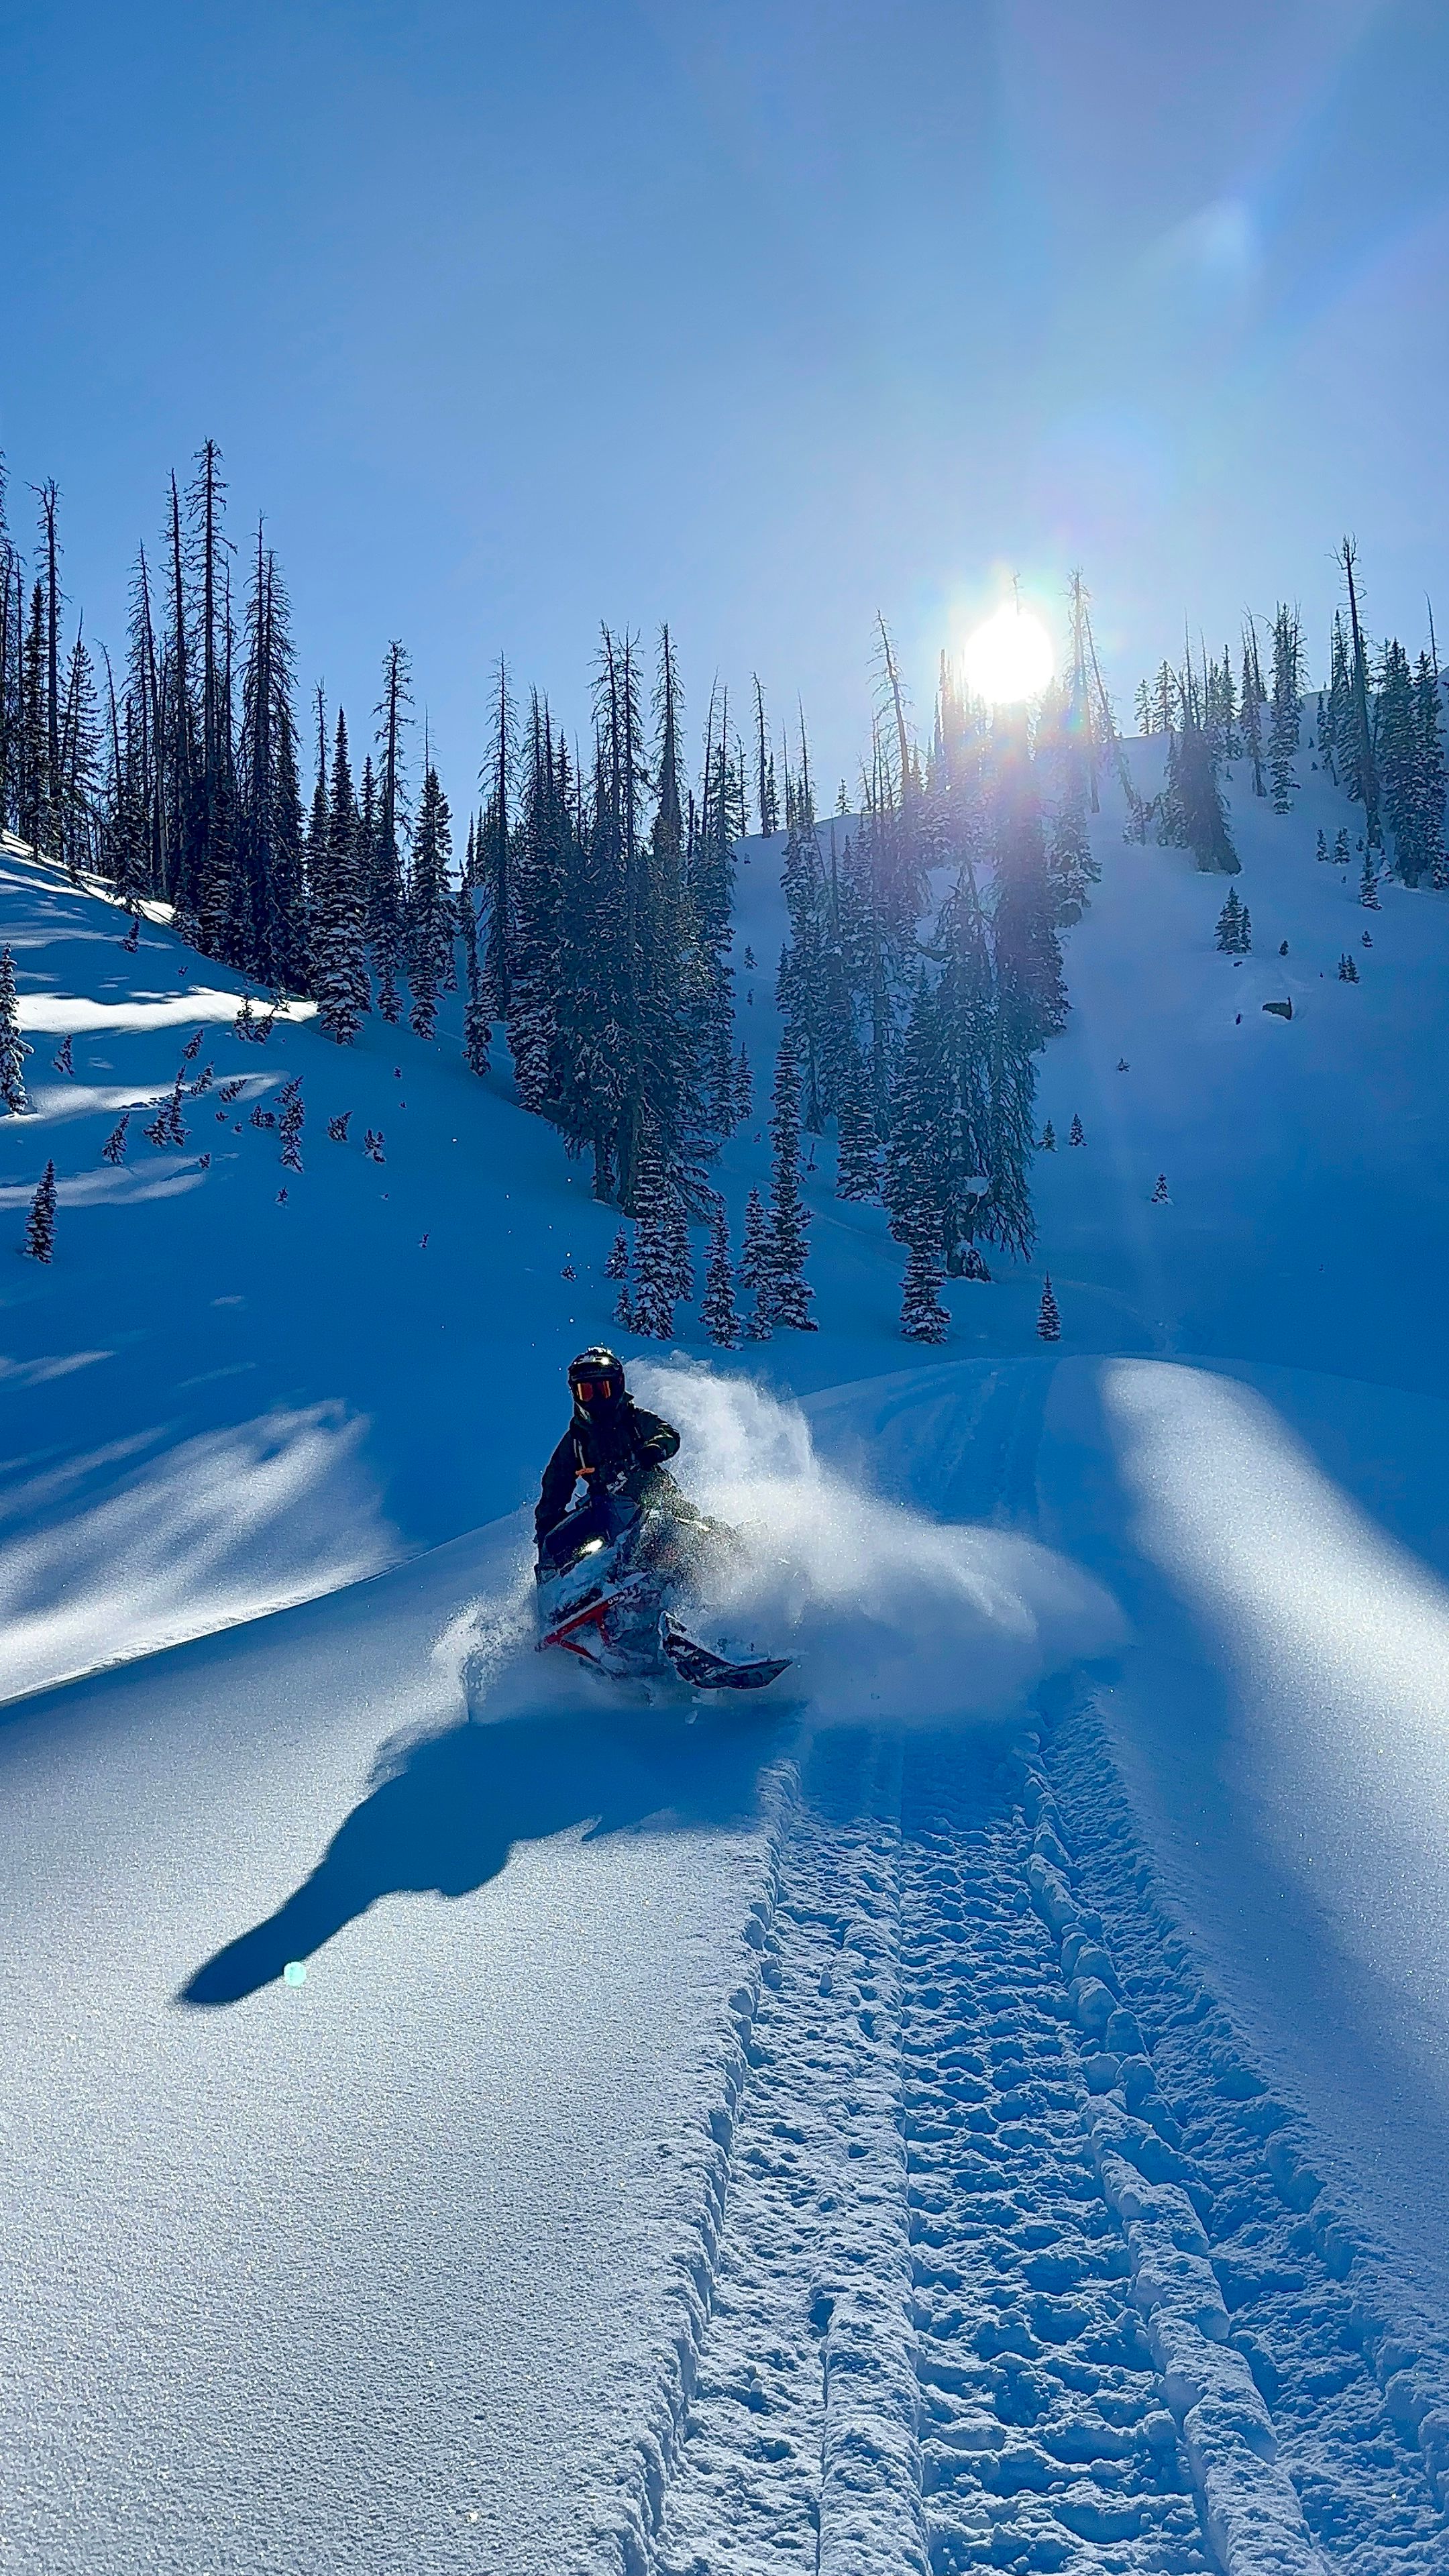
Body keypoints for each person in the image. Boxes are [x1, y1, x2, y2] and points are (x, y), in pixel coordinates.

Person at [535, 1348, 682, 1548]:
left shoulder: (635, 1420)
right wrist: (547, 1523)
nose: (595, 1399)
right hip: (608, 1512)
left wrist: (655, 1449)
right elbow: (556, 1481)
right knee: (568, 1544)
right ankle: (566, 1576)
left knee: (683, 1527)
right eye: (586, 1392)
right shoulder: (577, 1438)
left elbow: (668, 1434)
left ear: (618, 1385)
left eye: (602, 1390)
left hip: (656, 1496)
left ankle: (719, 1550)